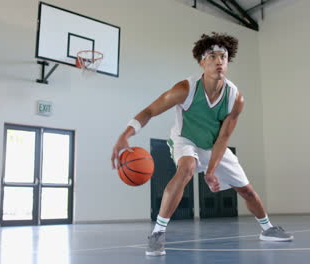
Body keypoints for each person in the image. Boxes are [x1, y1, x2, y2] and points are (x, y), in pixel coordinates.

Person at [111, 32, 293, 256]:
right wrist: (126, 134)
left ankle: (267, 229)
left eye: (223, 57)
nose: (219, 61)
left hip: (213, 145)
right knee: (186, 167)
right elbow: (150, 111)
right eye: (212, 56)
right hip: (184, 139)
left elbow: (224, 138)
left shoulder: (235, 98)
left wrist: (211, 170)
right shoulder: (185, 89)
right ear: (202, 62)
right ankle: (157, 234)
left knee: (247, 191)